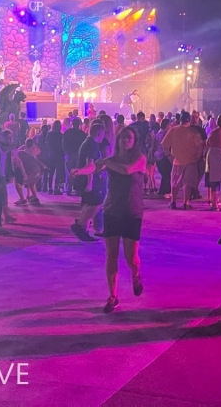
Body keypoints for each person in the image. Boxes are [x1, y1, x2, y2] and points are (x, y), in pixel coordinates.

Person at [75, 125, 146, 312]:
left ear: (134, 141)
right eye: (122, 138)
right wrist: (81, 171)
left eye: (129, 138)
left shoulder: (139, 158)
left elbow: (128, 170)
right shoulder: (110, 159)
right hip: (112, 210)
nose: (125, 141)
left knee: (131, 258)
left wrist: (107, 163)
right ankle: (113, 296)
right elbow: (94, 166)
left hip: (132, 211)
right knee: (111, 255)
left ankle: (136, 274)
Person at [70, 122, 108, 241]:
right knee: (96, 203)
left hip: (85, 179)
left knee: (89, 204)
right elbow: (90, 165)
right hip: (88, 180)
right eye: (103, 134)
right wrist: (89, 182)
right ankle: (80, 225)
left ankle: (84, 230)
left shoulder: (88, 142)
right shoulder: (92, 145)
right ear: (99, 133)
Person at [163, 111, 205, 210]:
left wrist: (169, 155)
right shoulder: (194, 132)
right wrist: (197, 157)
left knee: (174, 182)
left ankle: (173, 202)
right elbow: (200, 147)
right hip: (190, 161)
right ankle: (186, 203)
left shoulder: (173, 130)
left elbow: (164, 145)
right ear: (189, 120)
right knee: (187, 184)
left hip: (176, 161)